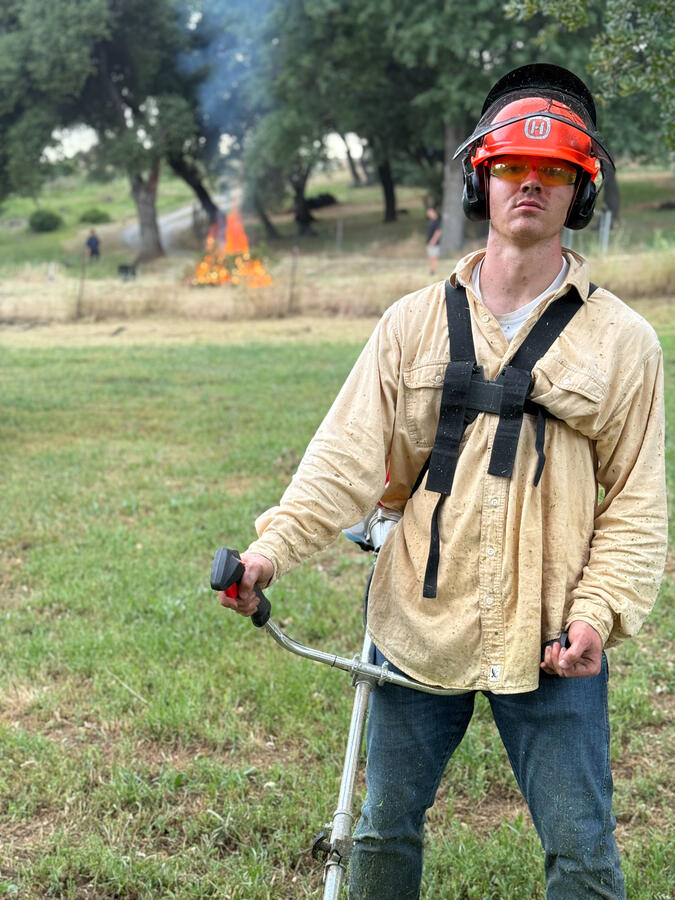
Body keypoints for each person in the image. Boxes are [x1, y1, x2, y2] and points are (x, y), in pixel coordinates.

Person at [219, 64, 667, 899]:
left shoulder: (623, 341)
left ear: (581, 192)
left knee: (582, 851)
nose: (529, 183)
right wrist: (267, 552)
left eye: (555, 170)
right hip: (417, 626)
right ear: (478, 179)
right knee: (383, 831)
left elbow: (636, 507)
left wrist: (594, 615)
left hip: (551, 641)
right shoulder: (410, 324)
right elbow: (343, 458)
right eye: (508, 167)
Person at [425, 204, 442, 275]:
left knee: (434, 257)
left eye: (429, 212)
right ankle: (431, 270)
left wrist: (433, 241)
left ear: (433, 211)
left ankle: (433, 271)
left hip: (434, 243)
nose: (428, 214)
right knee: (431, 257)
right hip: (430, 242)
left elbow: (438, 232)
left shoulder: (437, 221)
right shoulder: (432, 221)